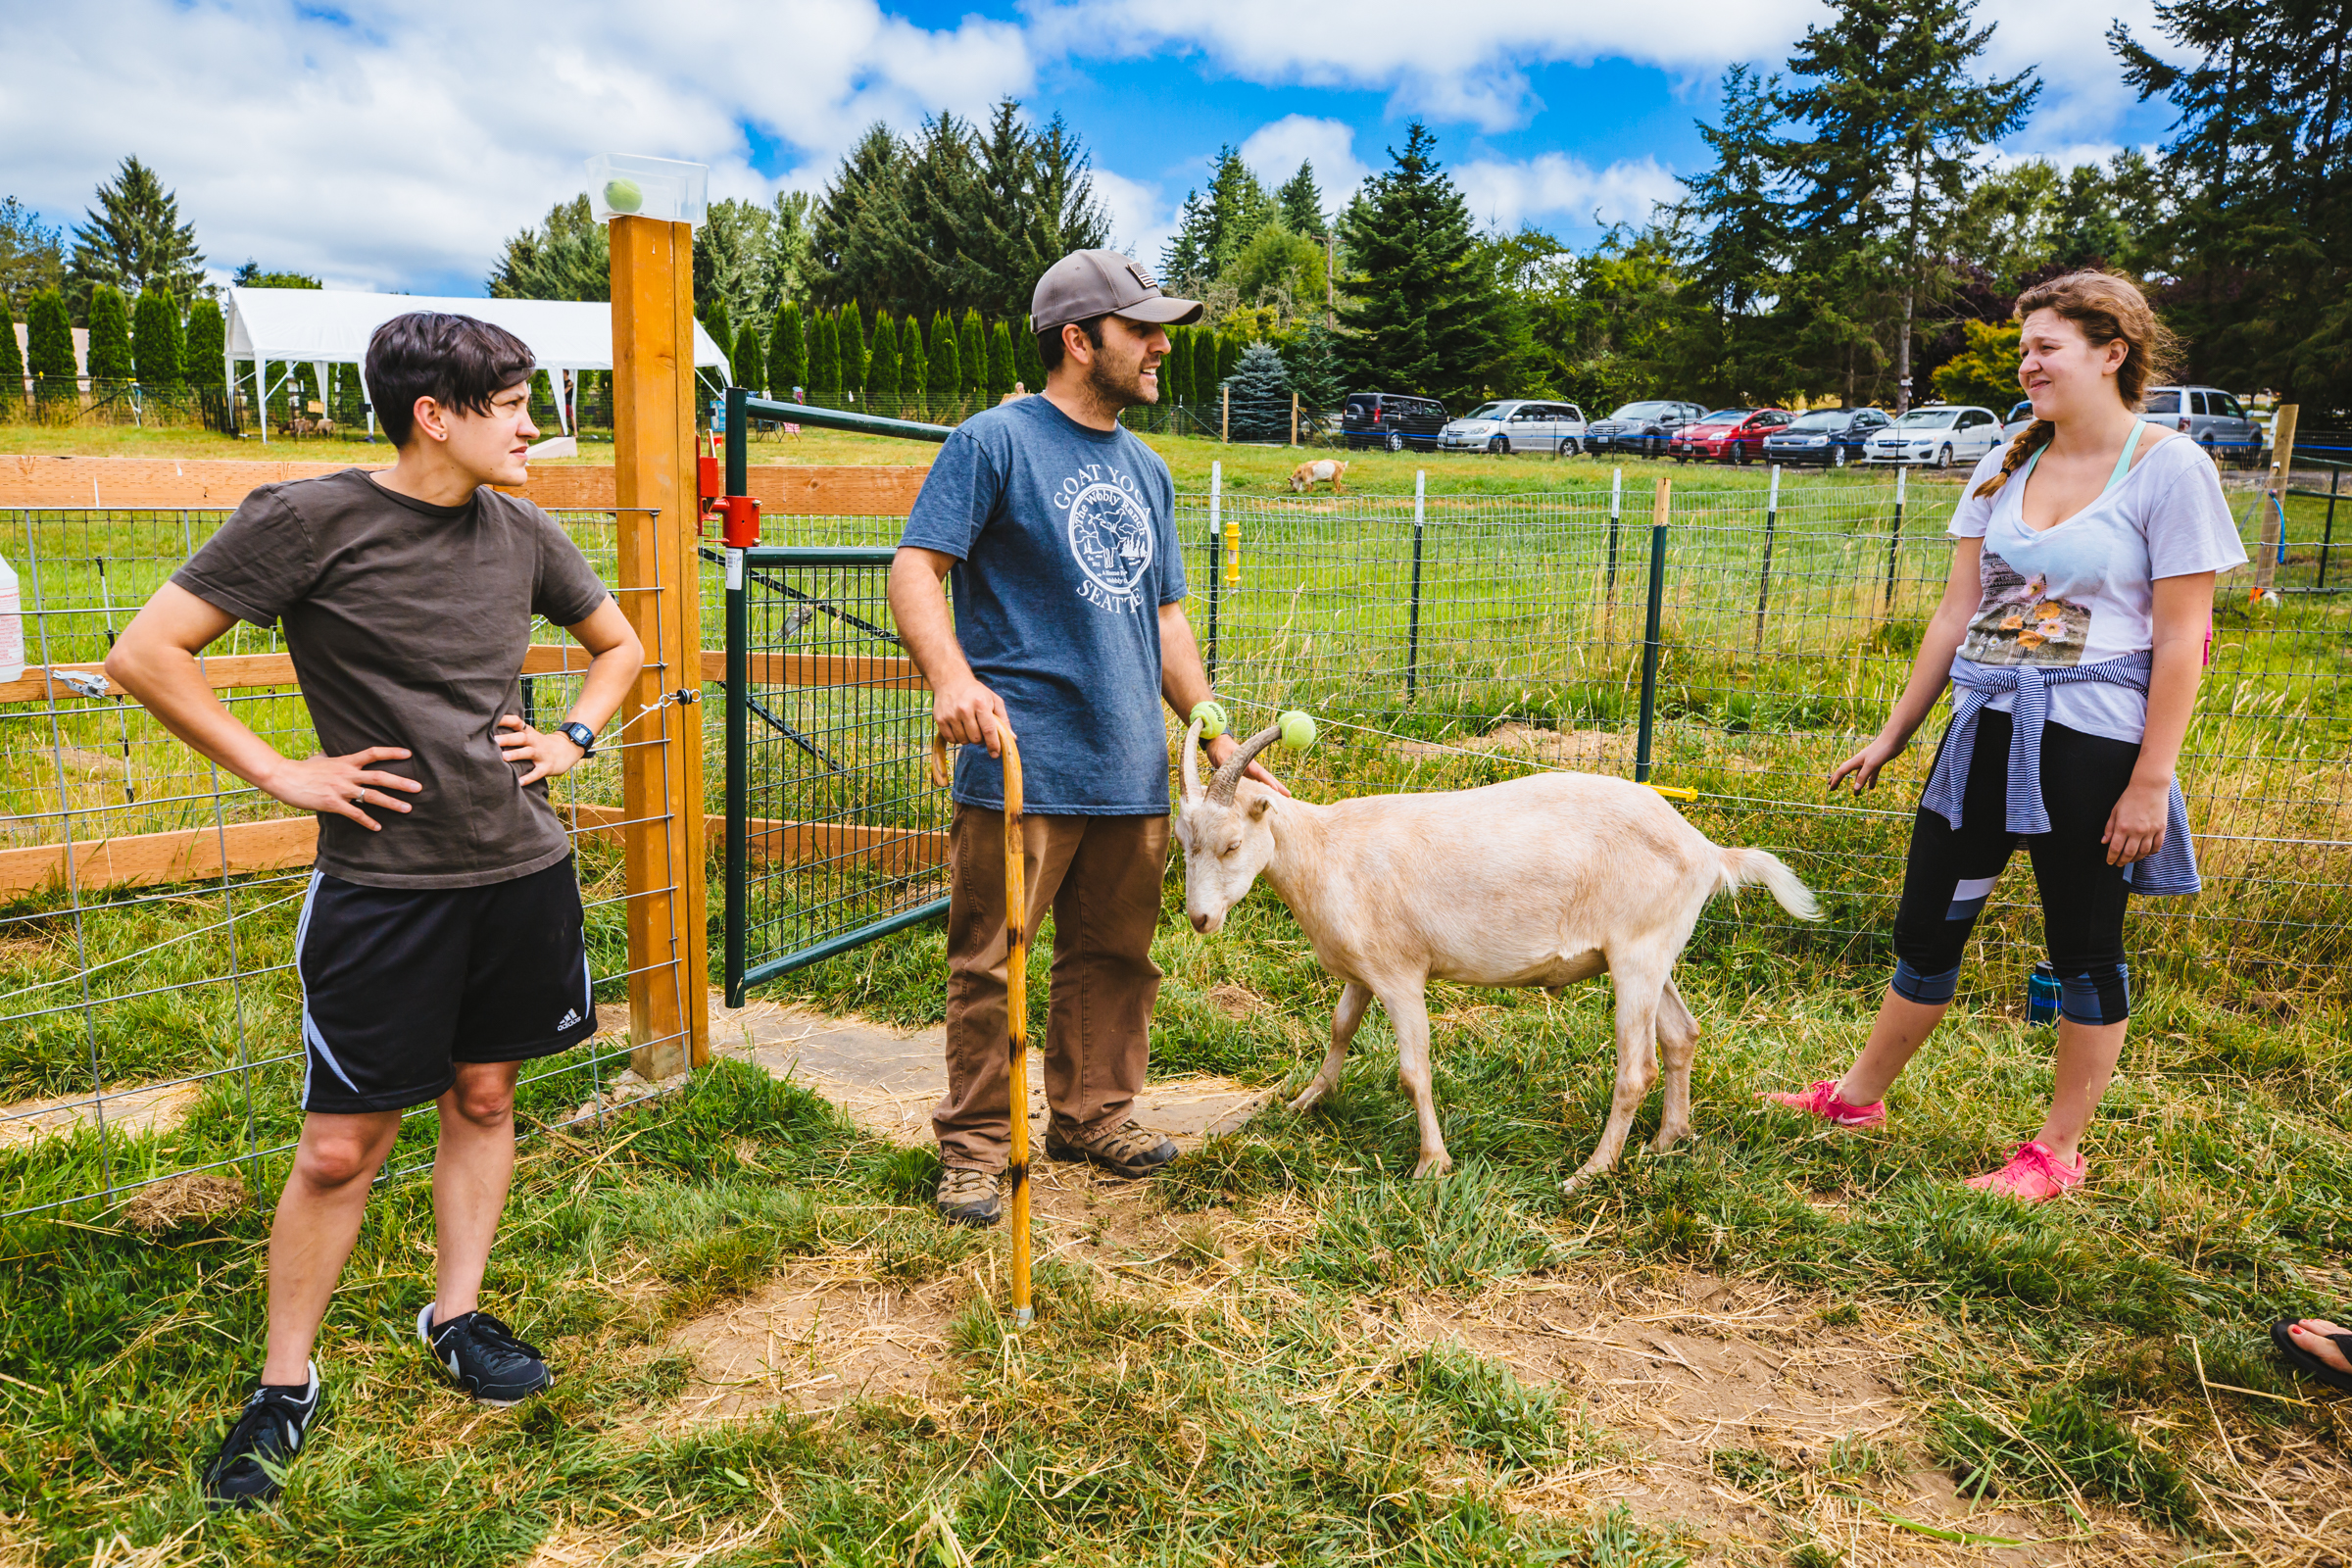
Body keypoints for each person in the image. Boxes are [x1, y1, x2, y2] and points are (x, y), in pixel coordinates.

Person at [106, 313, 643, 1506]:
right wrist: (285, 774)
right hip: (382, 892)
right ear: (433, 415)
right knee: (341, 1146)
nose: (531, 427)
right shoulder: (305, 520)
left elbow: (620, 643)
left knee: (488, 1092)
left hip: (518, 870)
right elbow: (147, 653)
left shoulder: (524, 529)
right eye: (510, 404)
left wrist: (572, 736)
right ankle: (283, 1384)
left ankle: (454, 1316)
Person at [1762, 271, 2245, 1200]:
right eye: (2023, 348)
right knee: (1926, 927)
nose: (2027, 364)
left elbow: (2187, 636)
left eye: (2046, 348)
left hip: (2093, 748)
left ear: (2113, 353)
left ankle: (2056, 1153)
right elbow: (1954, 616)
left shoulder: (2169, 467)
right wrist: (1895, 733)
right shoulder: (2003, 460)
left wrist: (2152, 780)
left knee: (2083, 946)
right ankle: (1860, 1098)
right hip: (1979, 732)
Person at [889, 251, 1284, 1226]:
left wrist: (1212, 725)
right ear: (1079, 339)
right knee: (993, 959)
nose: (1160, 349)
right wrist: (952, 679)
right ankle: (979, 1146)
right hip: (1019, 764)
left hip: (1128, 767)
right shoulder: (995, 444)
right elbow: (912, 569)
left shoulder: (1147, 468)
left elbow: (1166, 622)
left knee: (1116, 955)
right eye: (1142, 330)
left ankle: (1091, 1113)